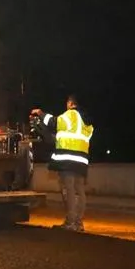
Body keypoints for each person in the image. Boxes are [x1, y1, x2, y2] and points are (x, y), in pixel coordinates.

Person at [31, 94, 94, 231]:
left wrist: (40, 113)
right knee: (79, 190)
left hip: (68, 159)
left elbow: (54, 122)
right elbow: (66, 136)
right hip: (81, 160)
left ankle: (70, 222)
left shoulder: (70, 115)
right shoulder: (87, 122)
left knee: (68, 190)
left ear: (71, 103)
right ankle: (78, 223)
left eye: (67, 103)